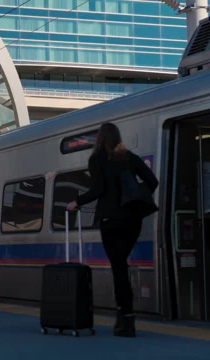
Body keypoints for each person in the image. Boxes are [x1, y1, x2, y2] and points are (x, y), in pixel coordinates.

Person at [66, 122, 158, 338]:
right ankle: (126, 320)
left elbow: (98, 189)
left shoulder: (97, 159)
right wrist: (135, 197)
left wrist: (76, 202)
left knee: (119, 269)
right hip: (133, 220)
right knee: (121, 267)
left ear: (99, 138)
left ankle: (125, 320)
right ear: (117, 137)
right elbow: (153, 181)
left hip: (111, 221)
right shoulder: (129, 157)